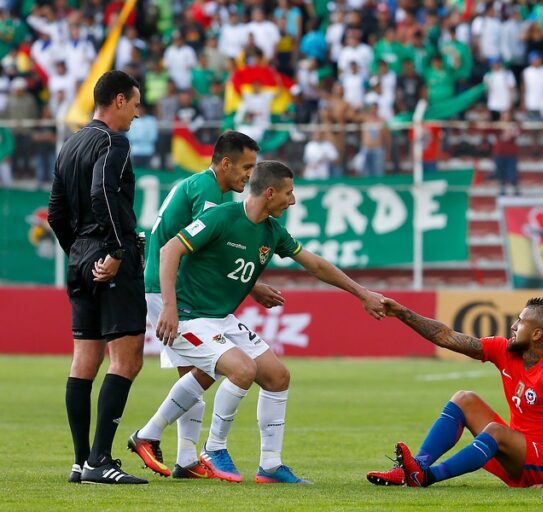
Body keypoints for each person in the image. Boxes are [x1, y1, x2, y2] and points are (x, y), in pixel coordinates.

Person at [137, 161, 385, 484]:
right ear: (269, 193)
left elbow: (316, 265)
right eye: (288, 193)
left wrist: (361, 293)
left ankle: (269, 464)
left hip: (221, 319)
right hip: (188, 317)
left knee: (278, 376)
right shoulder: (221, 216)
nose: (292, 200)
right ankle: (213, 448)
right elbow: (170, 250)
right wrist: (169, 307)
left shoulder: (272, 231)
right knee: (242, 370)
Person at [128, 130, 284, 479]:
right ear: (226, 163)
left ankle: (184, 457)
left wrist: (252, 285)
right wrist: (171, 303)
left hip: (167, 283)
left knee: (201, 372)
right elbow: (208, 246)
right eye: (246, 167)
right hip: (170, 287)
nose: (250, 175)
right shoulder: (210, 192)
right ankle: (158, 440)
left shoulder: (201, 185)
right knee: (202, 370)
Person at [366, 297, 543, 489]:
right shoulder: (506, 350)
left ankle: (426, 477)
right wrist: (403, 313)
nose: (513, 326)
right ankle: (415, 467)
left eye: (520, 321)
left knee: (495, 431)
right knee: (464, 399)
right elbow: (445, 336)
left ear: (536, 334)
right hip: (518, 455)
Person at [48, 70, 147, 484]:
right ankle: (100, 460)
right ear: (119, 100)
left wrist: (78, 253)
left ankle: (80, 462)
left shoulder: (70, 144)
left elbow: (55, 212)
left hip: (79, 258)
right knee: (127, 357)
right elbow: (102, 192)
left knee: (84, 359)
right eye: (135, 104)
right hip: (111, 256)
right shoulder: (113, 141)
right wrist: (116, 251)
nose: (137, 114)